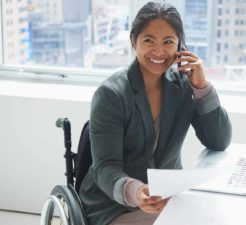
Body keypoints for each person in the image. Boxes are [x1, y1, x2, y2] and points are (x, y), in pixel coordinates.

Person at [79, 2, 232, 225]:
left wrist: (202, 87)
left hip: (168, 199)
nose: (159, 52)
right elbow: (105, 168)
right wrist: (136, 191)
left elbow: (218, 141)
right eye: (149, 40)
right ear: (134, 41)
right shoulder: (110, 94)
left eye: (168, 42)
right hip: (114, 207)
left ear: (179, 44)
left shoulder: (183, 86)